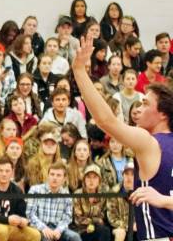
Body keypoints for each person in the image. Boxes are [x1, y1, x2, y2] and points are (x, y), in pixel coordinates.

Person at [73, 34, 173, 239]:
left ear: (162, 114)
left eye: (145, 104)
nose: (138, 110)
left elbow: (106, 121)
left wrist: (79, 71)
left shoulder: (150, 143)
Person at [0, 155, 41, 241]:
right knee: (2, 231)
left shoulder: (17, 191)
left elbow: (22, 214)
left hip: (12, 227)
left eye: (7, 171)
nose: (4, 174)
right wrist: (7, 219)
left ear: (12, 172)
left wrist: (23, 221)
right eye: (1, 170)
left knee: (35, 234)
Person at [26, 161, 82, 241]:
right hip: (39, 228)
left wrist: (58, 230)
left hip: (57, 228)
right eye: (52, 174)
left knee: (74, 237)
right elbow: (30, 214)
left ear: (64, 179)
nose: (54, 178)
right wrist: (44, 228)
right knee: (46, 239)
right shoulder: (35, 190)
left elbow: (67, 217)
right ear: (48, 176)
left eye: (58, 175)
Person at [72, 164, 111, 241]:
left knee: (104, 230)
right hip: (81, 230)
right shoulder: (77, 194)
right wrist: (95, 221)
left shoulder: (103, 195)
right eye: (88, 177)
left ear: (99, 180)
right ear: (84, 180)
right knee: (101, 230)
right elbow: (78, 219)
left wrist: (95, 222)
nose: (91, 181)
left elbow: (104, 215)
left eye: (95, 177)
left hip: (98, 228)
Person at [107, 161, 134, 241]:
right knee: (120, 233)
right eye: (126, 174)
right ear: (122, 175)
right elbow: (112, 218)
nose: (129, 177)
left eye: (133, 174)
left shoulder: (142, 191)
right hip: (119, 227)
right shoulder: (114, 192)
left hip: (137, 227)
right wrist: (129, 226)